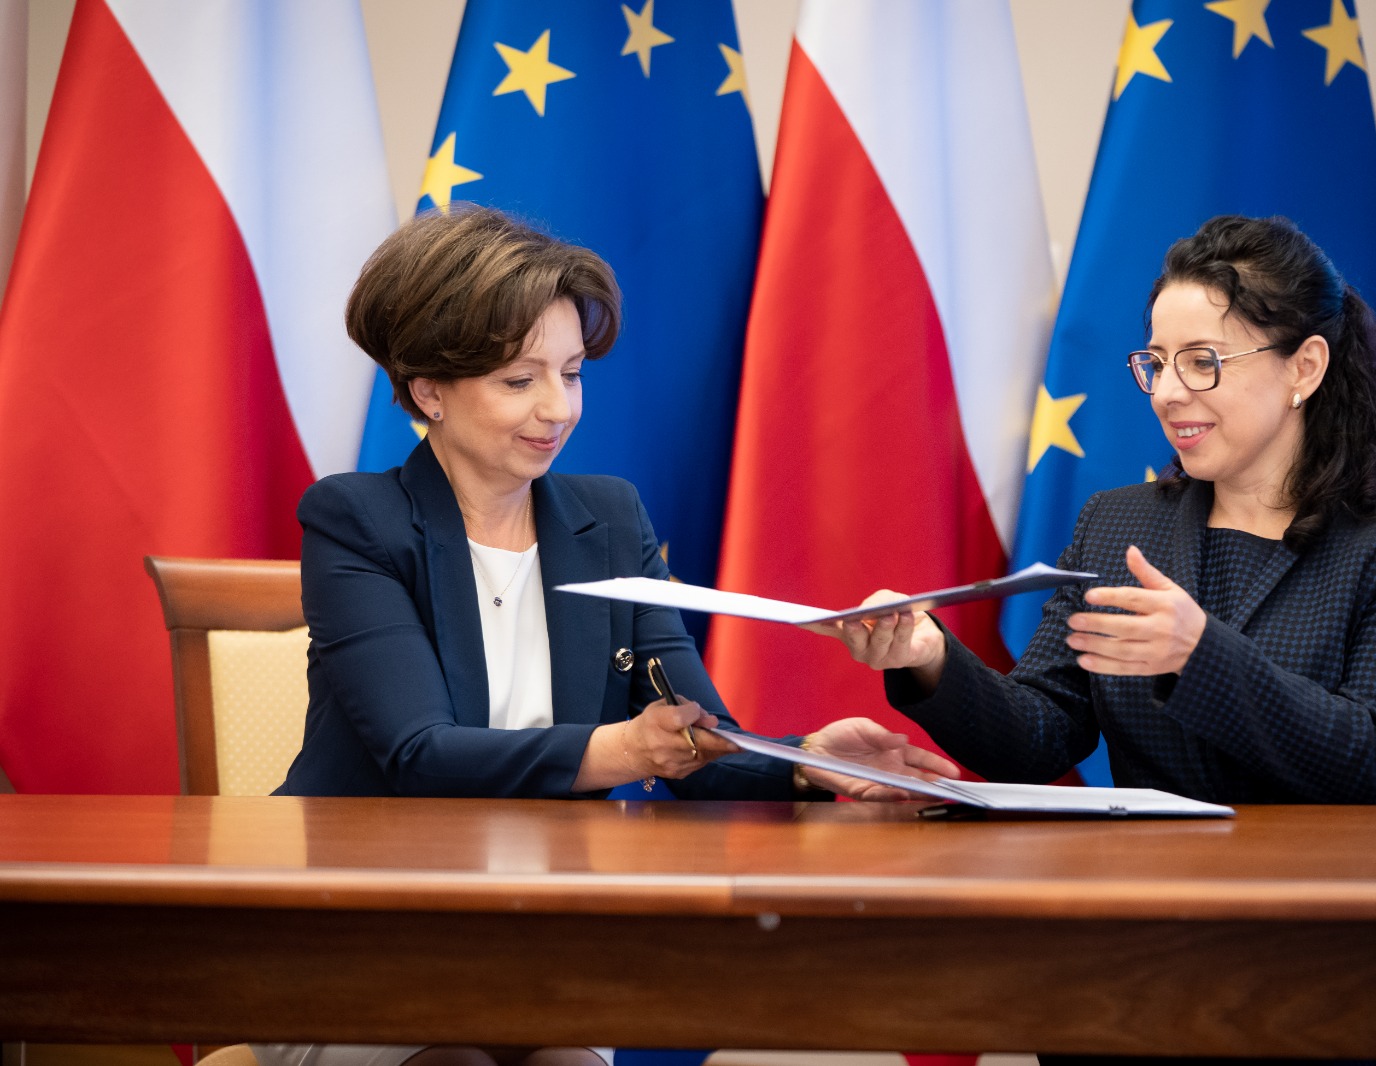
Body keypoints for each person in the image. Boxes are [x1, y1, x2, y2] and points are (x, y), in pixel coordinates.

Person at [261, 206, 957, 1066]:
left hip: (540, 940)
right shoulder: (356, 520)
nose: (558, 409)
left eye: (572, 373)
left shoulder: (610, 518)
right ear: (429, 389)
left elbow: (695, 744)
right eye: (520, 380)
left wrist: (807, 760)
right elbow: (419, 756)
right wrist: (624, 749)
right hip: (357, 926)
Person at [830, 214, 1376, 808]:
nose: (1166, 393)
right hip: (1145, 875)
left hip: (1316, 881)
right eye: (1157, 363)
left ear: (1305, 367)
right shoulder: (1118, 525)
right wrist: (930, 658)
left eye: (1202, 362)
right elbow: (1040, 736)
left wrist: (1201, 655)